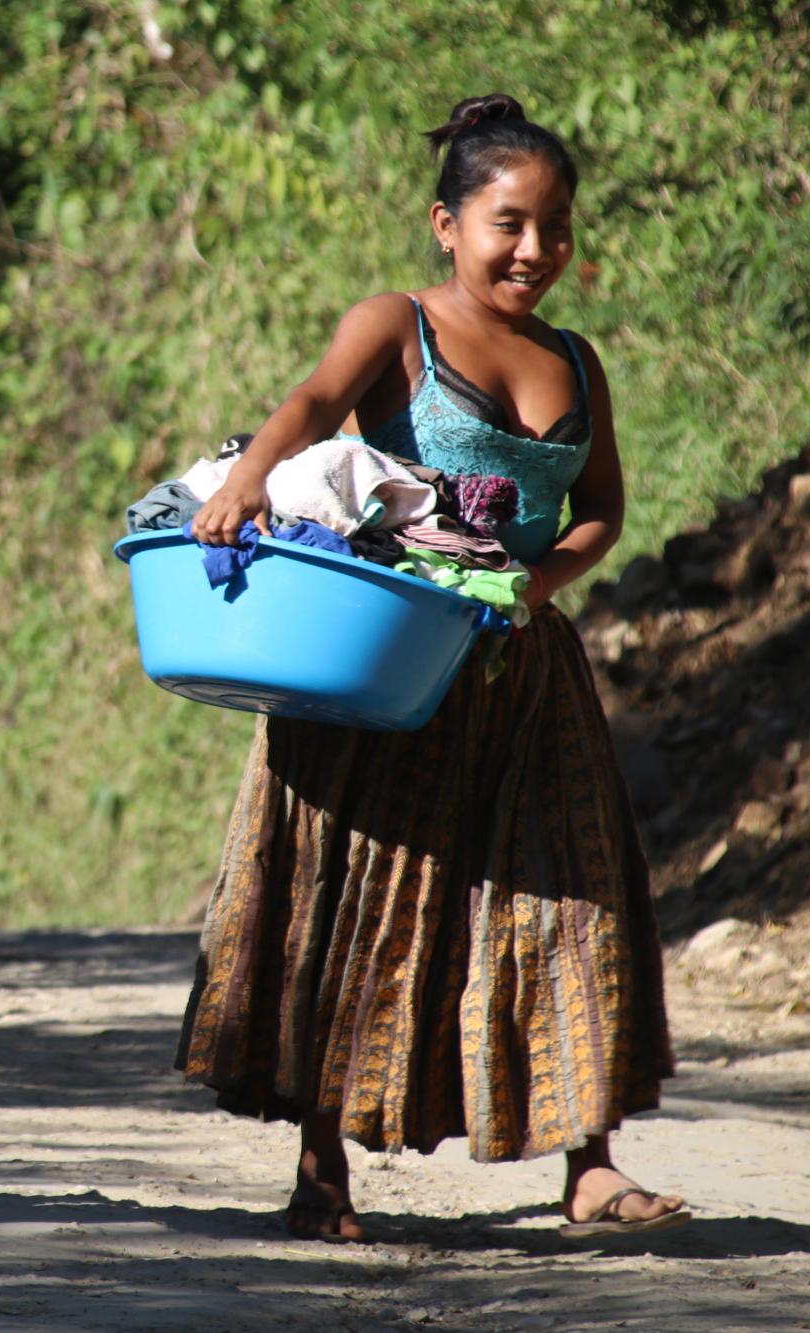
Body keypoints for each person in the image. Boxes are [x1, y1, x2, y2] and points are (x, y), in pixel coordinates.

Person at [179, 94, 688, 1243]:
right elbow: (311, 403)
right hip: (382, 669)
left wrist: (537, 583)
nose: (533, 251)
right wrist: (249, 476)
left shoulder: (575, 358)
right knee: (357, 899)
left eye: (554, 227)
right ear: (443, 225)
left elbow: (599, 508)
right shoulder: (393, 325)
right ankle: (322, 1170)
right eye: (508, 223)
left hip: (523, 677)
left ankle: (590, 1164)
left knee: (563, 900)